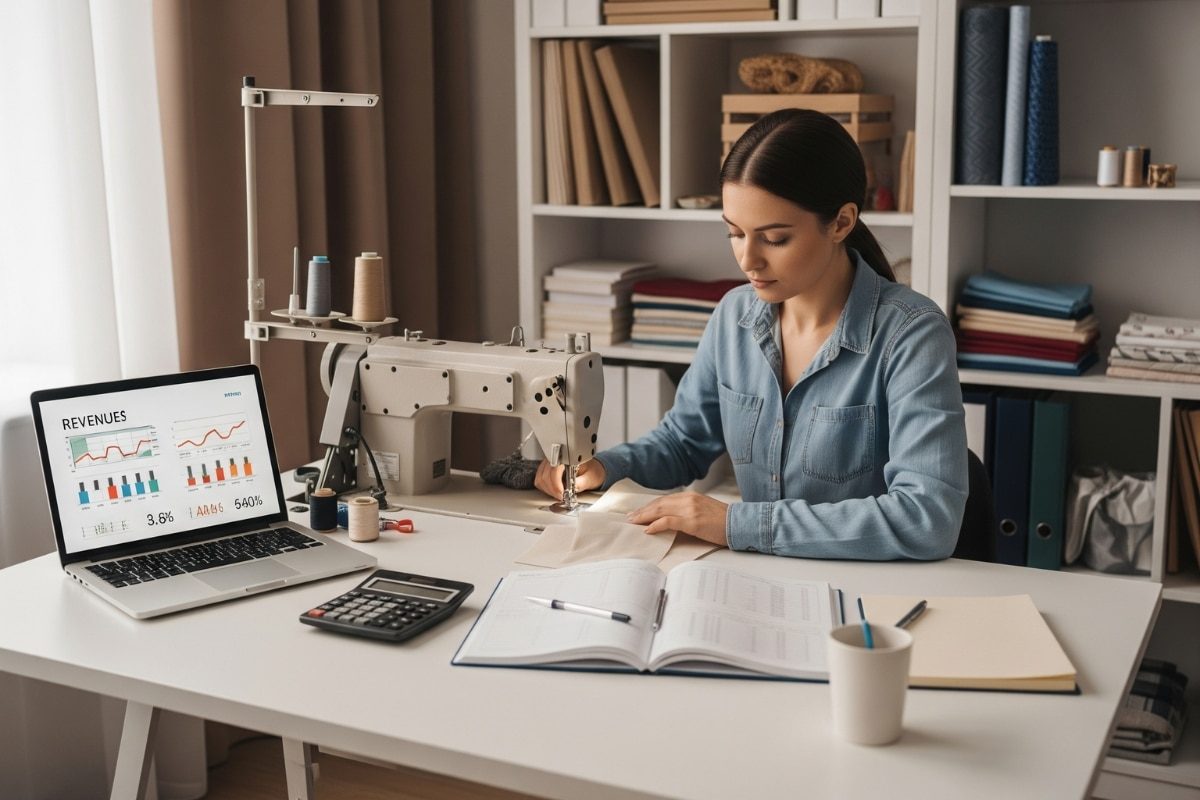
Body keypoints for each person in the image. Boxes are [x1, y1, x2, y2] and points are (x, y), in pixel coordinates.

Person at [535, 108, 967, 560]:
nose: (748, 260)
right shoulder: (733, 316)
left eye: (775, 239)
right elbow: (683, 442)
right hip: (757, 578)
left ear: (841, 222)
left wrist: (737, 523)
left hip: (865, 594)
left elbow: (927, 519)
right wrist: (602, 467)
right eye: (735, 234)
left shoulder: (912, 334)